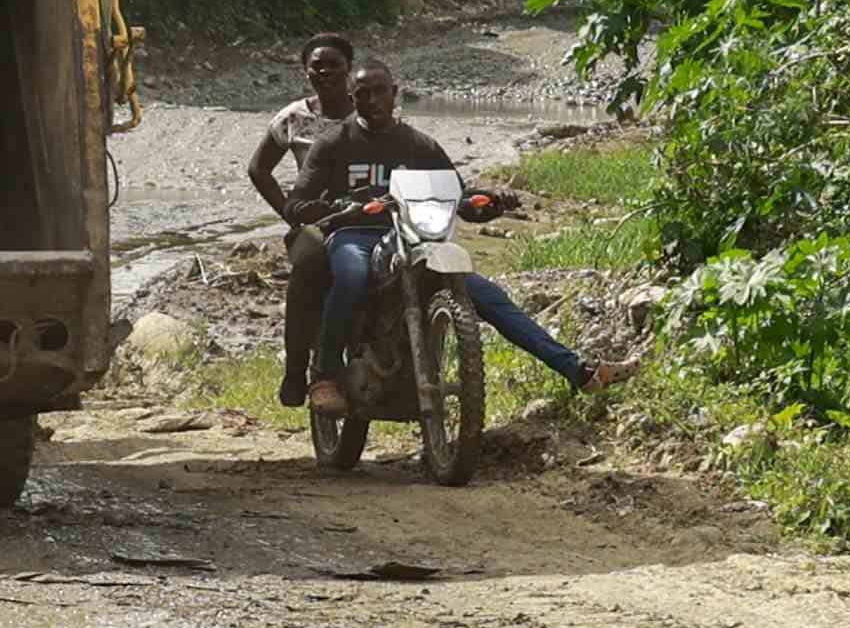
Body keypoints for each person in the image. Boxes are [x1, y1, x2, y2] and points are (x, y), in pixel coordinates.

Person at [312, 60, 597, 397]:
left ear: (395, 93)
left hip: (412, 237)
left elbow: (456, 195)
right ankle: (324, 374)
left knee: (490, 296)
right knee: (353, 276)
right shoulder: (334, 143)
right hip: (355, 236)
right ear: (351, 97)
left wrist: (487, 203)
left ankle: (576, 369)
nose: (372, 100)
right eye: (362, 94)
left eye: (379, 92)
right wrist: (338, 208)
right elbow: (298, 201)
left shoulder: (419, 145)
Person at [243, 33, 391, 405]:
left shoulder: (370, 112)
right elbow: (259, 169)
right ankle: (296, 372)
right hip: (318, 222)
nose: (324, 72)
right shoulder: (294, 118)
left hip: (367, 218)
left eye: (333, 65)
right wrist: (291, 215)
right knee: (307, 272)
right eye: (316, 66)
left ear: (349, 71)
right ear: (306, 72)